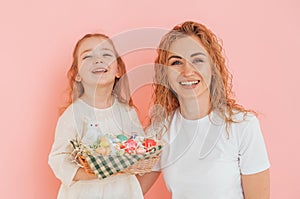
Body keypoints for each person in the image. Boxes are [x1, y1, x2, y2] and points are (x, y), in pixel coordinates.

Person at [138, 21, 270, 198]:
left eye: (198, 60)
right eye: (176, 62)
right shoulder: (160, 131)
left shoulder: (243, 126)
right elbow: (130, 191)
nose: (187, 71)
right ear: (165, 74)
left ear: (212, 67)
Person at [48, 33, 144, 198]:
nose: (98, 60)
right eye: (87, 56)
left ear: (118, 70)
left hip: (123, 192)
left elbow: (140, 147)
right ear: (77, 74)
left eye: (106, 54)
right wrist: (91, 174)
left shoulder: (127, 112)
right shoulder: (73, 115)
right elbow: (58, 159)